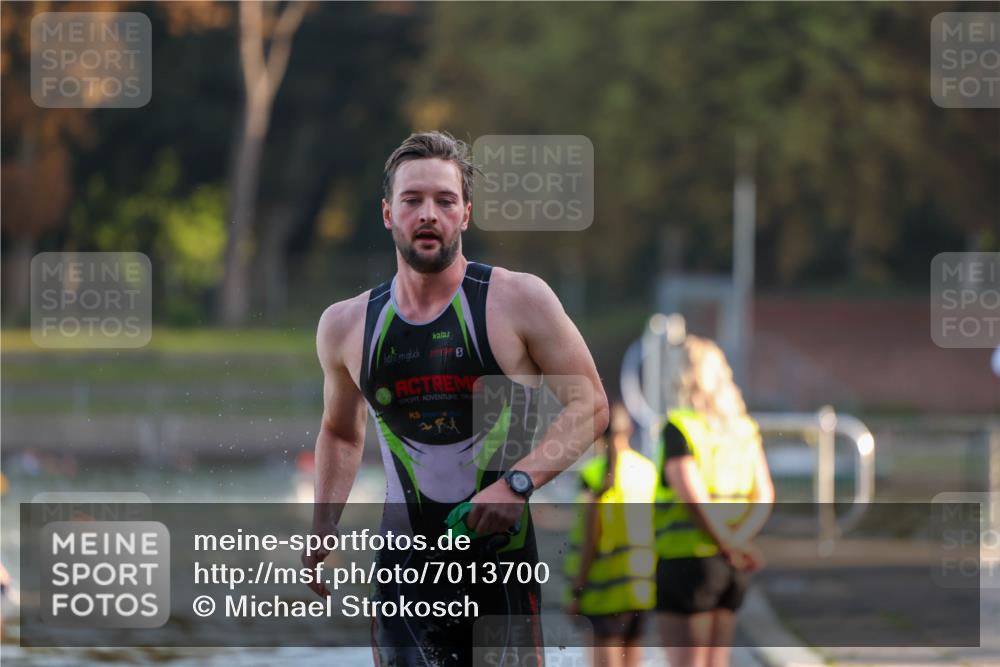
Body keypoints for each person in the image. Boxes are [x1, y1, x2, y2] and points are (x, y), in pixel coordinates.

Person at [301, 131, 610, 666]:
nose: (428, 214)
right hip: (403, 573)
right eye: (412, 200)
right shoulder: (347, 324)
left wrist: (519, 483)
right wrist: (325, 521)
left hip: (501, 572)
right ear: (387, 213)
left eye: (444, 201)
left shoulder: (518, 299)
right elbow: (340, 432)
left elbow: (592, 407)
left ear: (465, 214)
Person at [654, 336, 774, 667]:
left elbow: (693, 499)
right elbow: (764, 495)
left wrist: (725, 543)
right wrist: (738, 543)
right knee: (716, 662)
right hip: (733, 566)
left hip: (688, 561)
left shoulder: (679, 427)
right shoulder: (743, 429)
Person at [564, 402, 657, 667]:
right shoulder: (647, 470)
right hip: (640, 587)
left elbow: (590, 539)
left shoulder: (593, 475)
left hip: (601, 590)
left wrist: (576, 592)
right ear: (629, 429)